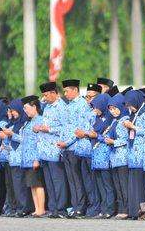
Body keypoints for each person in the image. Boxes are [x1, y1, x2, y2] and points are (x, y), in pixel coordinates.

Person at [35, 82, 68, 218]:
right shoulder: (47, 107)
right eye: (44, 95)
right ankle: (53, 208)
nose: (45, 97)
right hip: (44, 149)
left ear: (54, 93)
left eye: (47, 95)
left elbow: (64, 127)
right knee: (48, 181)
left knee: (57, 180)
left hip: (55, 149)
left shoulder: (62, 107)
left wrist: (48, 129)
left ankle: (61, 209)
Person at [0, 98, 32, 217]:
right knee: (15, 186)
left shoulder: (24, 123)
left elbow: (24, 139)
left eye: (14, 111)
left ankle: (24, 208)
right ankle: (18, 207)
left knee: (21, 185)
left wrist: (12, 134)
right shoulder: (14, 123)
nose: (13, 113)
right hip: (12, 158)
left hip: (20, 158)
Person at [58, 79, 86, 218]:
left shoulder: (81, 105)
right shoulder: (68, 105)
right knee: (71, 180)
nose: (65, 93)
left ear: (75, 90)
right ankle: (75, 206)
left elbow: (79, 129)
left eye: (67, 91)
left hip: (75, 147)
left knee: (77, 179)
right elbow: (64, 127)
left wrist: (66, 143)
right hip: (66, 148)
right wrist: (62, 143)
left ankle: (80, 207)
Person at [122, 89, 145, 219]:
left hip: (141, 153)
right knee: (133, 184)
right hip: (133, 153)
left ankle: (142, 211)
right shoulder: (134, 114)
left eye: (130, 105)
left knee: (140, 184)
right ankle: (133, 211)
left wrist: (133, 127)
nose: (130, 108)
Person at [73, 84, 100, 218]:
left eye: (90, 96)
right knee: (86, 182)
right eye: (86, 97)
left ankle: (95, 207)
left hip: (92, 150)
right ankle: (90, 206)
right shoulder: (84, 110)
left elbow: (96, 132)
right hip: (81, 150)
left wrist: (84, 134)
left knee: (94, 182)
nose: (88, 99)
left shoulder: (97, 112)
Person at [20, 96, 46, 217]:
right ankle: (36, 208)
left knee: (38, 183)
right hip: (26, 157)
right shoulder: (27, 122)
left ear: (34, 107)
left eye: (26, 108)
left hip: (34, 156)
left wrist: (37, 158)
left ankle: (41, 208)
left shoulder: (40, 120)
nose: (25, 111)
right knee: (32, 184)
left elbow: (39, 140)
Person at [105, 94, 130, 220]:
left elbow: (126, 139)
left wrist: (113, 142)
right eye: (110, 109)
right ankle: (120, 209)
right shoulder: (115, 120)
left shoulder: (125, 120)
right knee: (117, 186)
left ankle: (125, 210)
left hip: (123, 157)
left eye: (115, 108)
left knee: (124, 185)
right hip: (114, 158)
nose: (113, 111)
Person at [90, 93, 114, 219]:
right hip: (96, 154)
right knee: (99, 184)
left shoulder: (110, 119)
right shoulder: (96, 119)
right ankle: (103, 208)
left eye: (97, 107)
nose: (95, 110)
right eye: (93, 107)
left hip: (105, 155)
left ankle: (110, 208)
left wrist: (96, 136)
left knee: (107, 184)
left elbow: (110, 136)